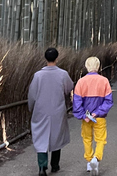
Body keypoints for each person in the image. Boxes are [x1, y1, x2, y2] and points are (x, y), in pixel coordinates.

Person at [28, 47, 74, 176]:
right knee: (57, 136)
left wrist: (31, 107)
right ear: (57, 58)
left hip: (41, 110)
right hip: (57, 110)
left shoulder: (38, 75)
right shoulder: (63, 74)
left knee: (41, 137)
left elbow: (32, 94)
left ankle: (42, 167)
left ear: (45, 58)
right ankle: (55, 165)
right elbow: (69, 87)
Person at [73, 57, 113, 175]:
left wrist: (82, 115)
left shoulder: (81, 82)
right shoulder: (104, 81)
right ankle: (96, 158)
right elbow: (108, 101)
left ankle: (89, 161)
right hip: (99, 117)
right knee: (100, 139)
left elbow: (77, 101)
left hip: (86, 116)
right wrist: (98, 112)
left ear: (86, 66)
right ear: (99, 66)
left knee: (87, 138)